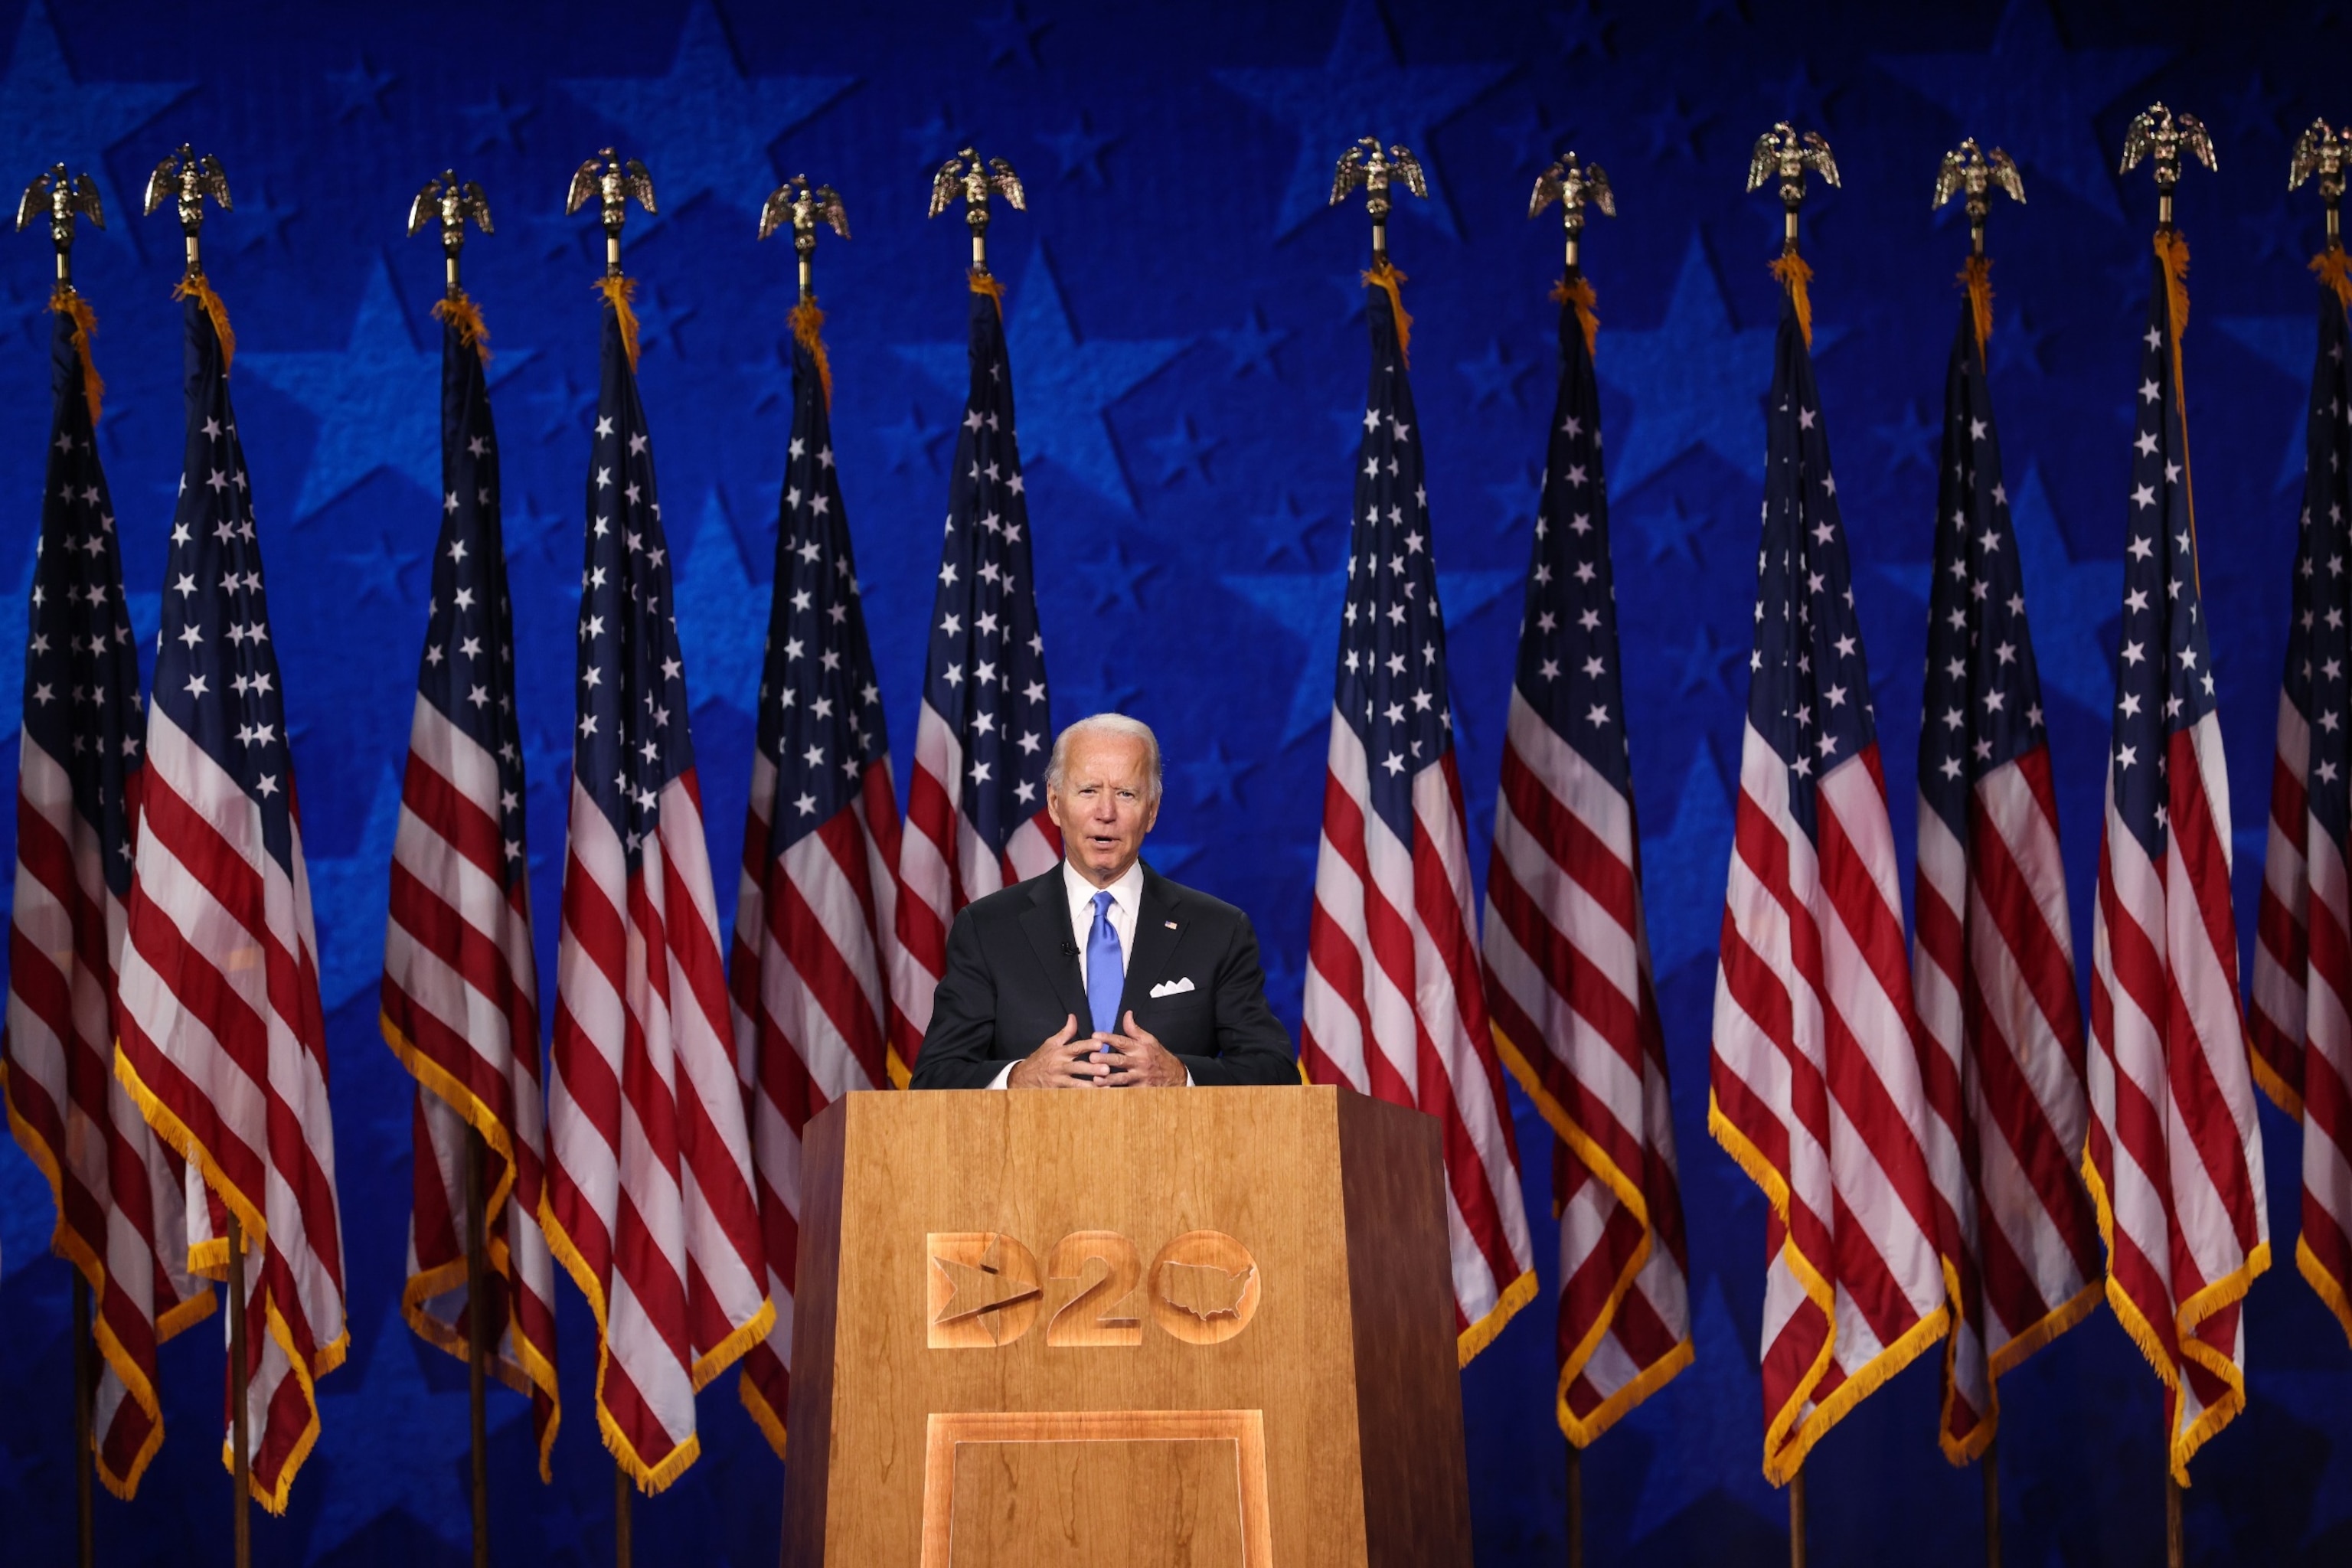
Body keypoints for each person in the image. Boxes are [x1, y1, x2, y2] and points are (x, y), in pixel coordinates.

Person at [908, 714, 1298, 1089]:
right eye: (1088, 791)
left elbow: (1276, 1072)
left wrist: (1180, 1077)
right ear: (1055, 802)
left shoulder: (1218, 930)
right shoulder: (988, 929)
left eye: (1126, 793)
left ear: (1152, 811)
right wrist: (1018, 1079)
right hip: (1035, 1154)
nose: (1105, 813)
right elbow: (934, 1077)